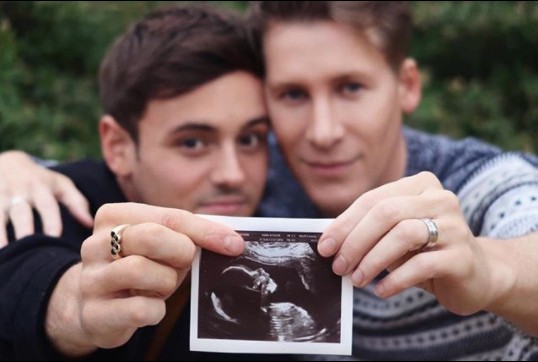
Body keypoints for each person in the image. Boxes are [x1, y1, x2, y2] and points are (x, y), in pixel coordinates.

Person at [3, 1, 538, 360]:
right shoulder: (258, 178)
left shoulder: (483, 183)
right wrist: (13, 167)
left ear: (406, 85)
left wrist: (491, 270)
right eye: (292, 96)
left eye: (350, 87)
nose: (323, 133)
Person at [0, 4, 286, 360]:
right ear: (118, 146)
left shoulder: (286, 208)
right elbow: (19, 271)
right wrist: (72, 309)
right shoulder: (43, 204)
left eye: (250, 139)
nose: (233, 174)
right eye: (193, 143)